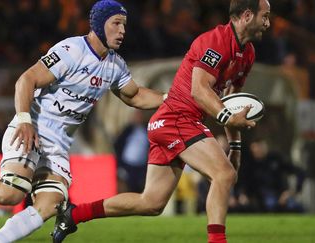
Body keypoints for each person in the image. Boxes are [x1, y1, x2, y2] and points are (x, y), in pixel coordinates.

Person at [0, 1, 165, 242]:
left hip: (58, 145)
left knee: (50, 204)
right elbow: (26, 80)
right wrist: (25, 120)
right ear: (100, 24)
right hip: (32, 129)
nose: (122, 31)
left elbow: (136, 95)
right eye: (116, 23)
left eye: (124, 25)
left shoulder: (115, 65)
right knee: (10, 195)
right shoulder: (72, 51)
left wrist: (169, 99)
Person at [52, 1, 271, 243]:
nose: (268, 23)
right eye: (265, 16)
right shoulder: (215, 41)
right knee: (223, 175)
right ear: (248, 15)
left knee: (151, 203)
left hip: (173, 122)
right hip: (177, 118)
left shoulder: (247, 54)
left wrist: (236, 148)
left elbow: (231, 104)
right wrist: (227, 119)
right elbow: (199, 90)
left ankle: (74, 214)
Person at [114, 110, 149, 193]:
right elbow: (117, 146)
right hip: (126, 165)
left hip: (141, 168)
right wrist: (119, 165)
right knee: (124, 188)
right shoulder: (128, 130)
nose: (138, 118)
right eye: (136, 116)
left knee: (137, 189)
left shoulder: (147, 130)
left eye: (140, 116)